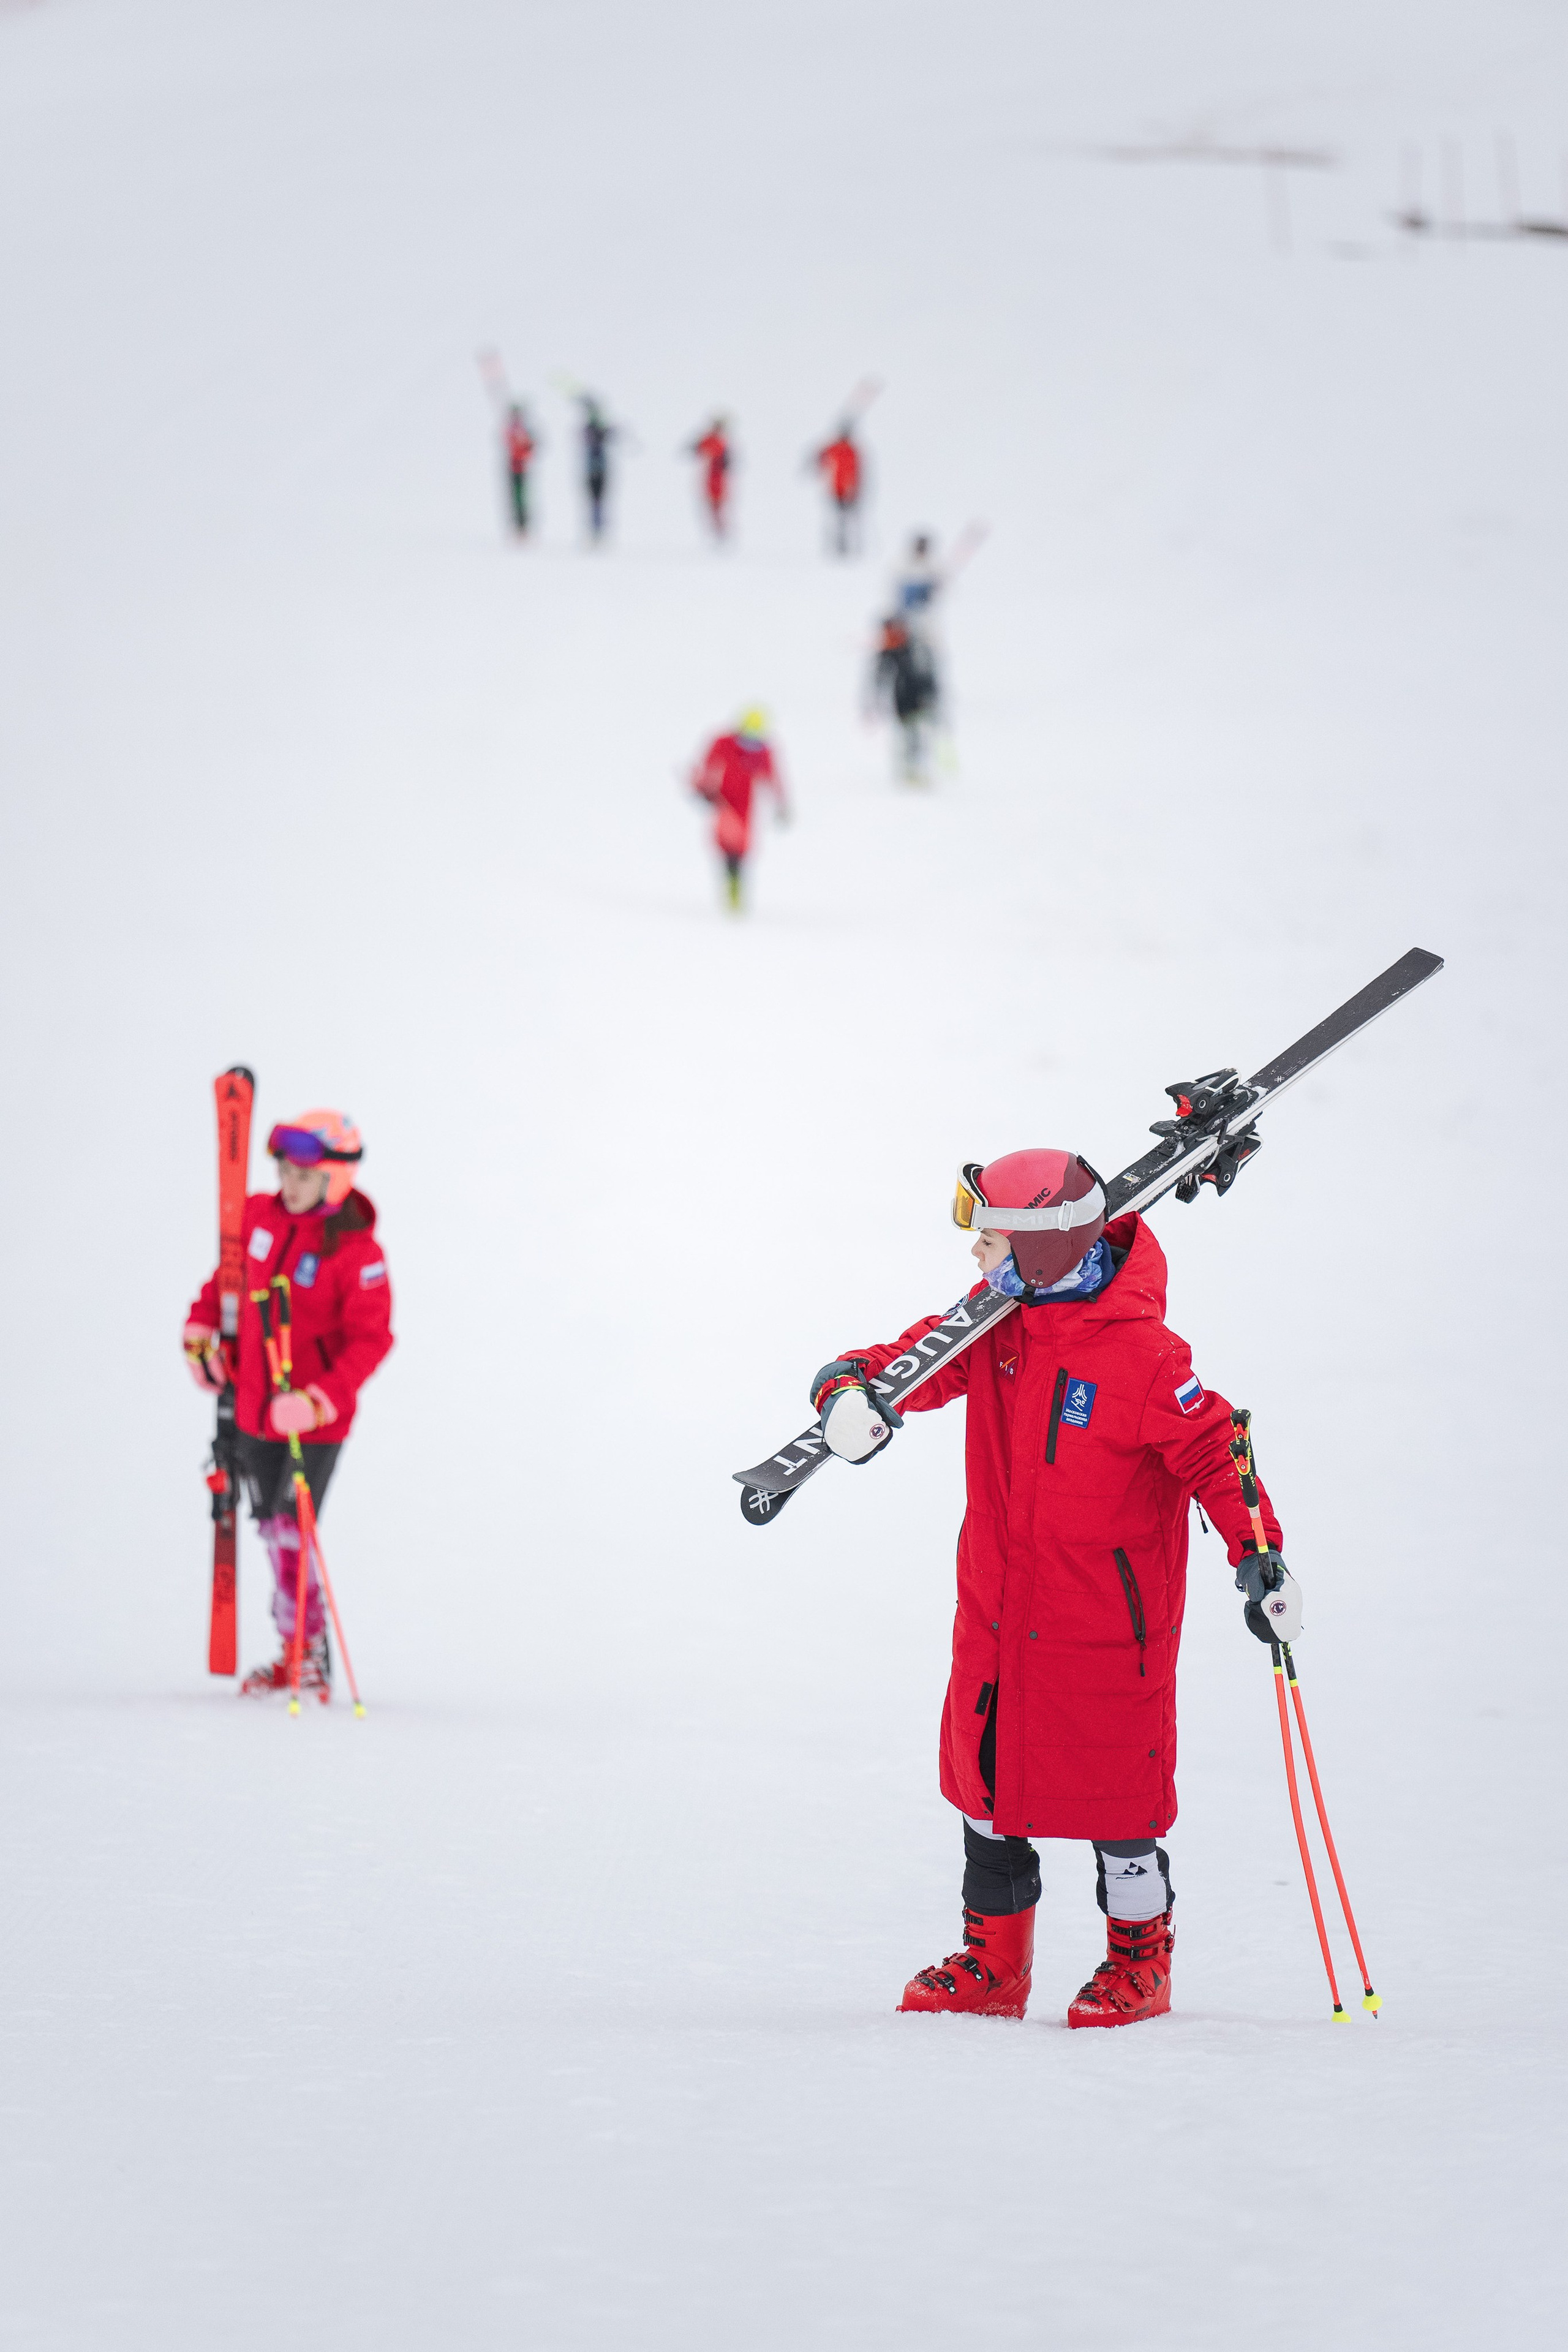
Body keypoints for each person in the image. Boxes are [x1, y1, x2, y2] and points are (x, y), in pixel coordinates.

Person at [805, 1149, 1295, 2027]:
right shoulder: (995, 1324)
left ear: (1039, 1251)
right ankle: (997, 1961)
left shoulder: (1143, 1355)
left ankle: (1139, 1963)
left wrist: (1256, 1553)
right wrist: (851, 1385)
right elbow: (914, 1358)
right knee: (988, 1789)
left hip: (1107, 1628)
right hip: (999, 1615)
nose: (974, 1257)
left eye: (987, 1238)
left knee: (1118, 1803)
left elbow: (1215, 1449)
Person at [183, 1111, 394, 1698]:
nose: (289, 1183)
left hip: (313, 1425)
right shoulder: (259, 1217)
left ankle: (308, 1652)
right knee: (272, 1531)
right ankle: (294, 1647)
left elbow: (372, 1340)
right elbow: (221, 1289)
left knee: (290, 1531)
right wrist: (200, 1336)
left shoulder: (358, 1253)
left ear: (336, 1178)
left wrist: (320, 1401)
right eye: (283, 1169)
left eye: (304, 1174)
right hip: (252, 1409)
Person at [691, 708, 790, 911]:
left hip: (746, 804)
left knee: (743, 846)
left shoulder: (762, 752)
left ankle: (736, 885)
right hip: (724, 800)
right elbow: (707, 766)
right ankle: (731, 883)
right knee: (726, 842)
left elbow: (772, 778)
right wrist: (702, 788)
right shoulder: (724, 743)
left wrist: (781, 804)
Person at [869, 614, 941, 782]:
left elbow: (928, 676)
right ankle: (907, 770)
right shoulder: (889, 652)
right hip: (901, 704)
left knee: (917, 736)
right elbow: (879, 678)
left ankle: (919, 769)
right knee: (905, 737)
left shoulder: (916, 650)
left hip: (919, 702)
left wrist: (931, 697)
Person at [813, 421, 862, 554]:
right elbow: (820, 456)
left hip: (849, 491)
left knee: (847, 520)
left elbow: (856, 472)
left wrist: (855, 490)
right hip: (836, 490)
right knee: (838, 520)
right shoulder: (836, 448)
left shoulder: (852, 451)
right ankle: (838, 546)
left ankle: (848, 547)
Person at [578, 395, 619, 541]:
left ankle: (599, 529)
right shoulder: (589, 430)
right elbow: (589, 439)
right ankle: (595, 529)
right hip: (592, 471)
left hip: (600, 471)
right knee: (594, 501)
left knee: (599, 501)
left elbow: (612, 435)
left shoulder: (601, 430)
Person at [688, 416, 732, 538]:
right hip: (710, 481)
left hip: (718, 482)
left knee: (717, 509)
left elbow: (727, 463)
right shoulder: (710, 440)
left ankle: (721, 533)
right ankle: (718, 533)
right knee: (713, 509)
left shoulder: (721, 443)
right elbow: (694, 449)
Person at [503, 401, 538, 536]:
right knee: (516, 498)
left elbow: (531, 448)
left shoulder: (525, 431)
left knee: (523, 498)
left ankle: (523, 526)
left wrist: (528, 445)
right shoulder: (511, 430)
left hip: (523, 468)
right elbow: (509, 442)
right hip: (514, 468)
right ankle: (518, 526)